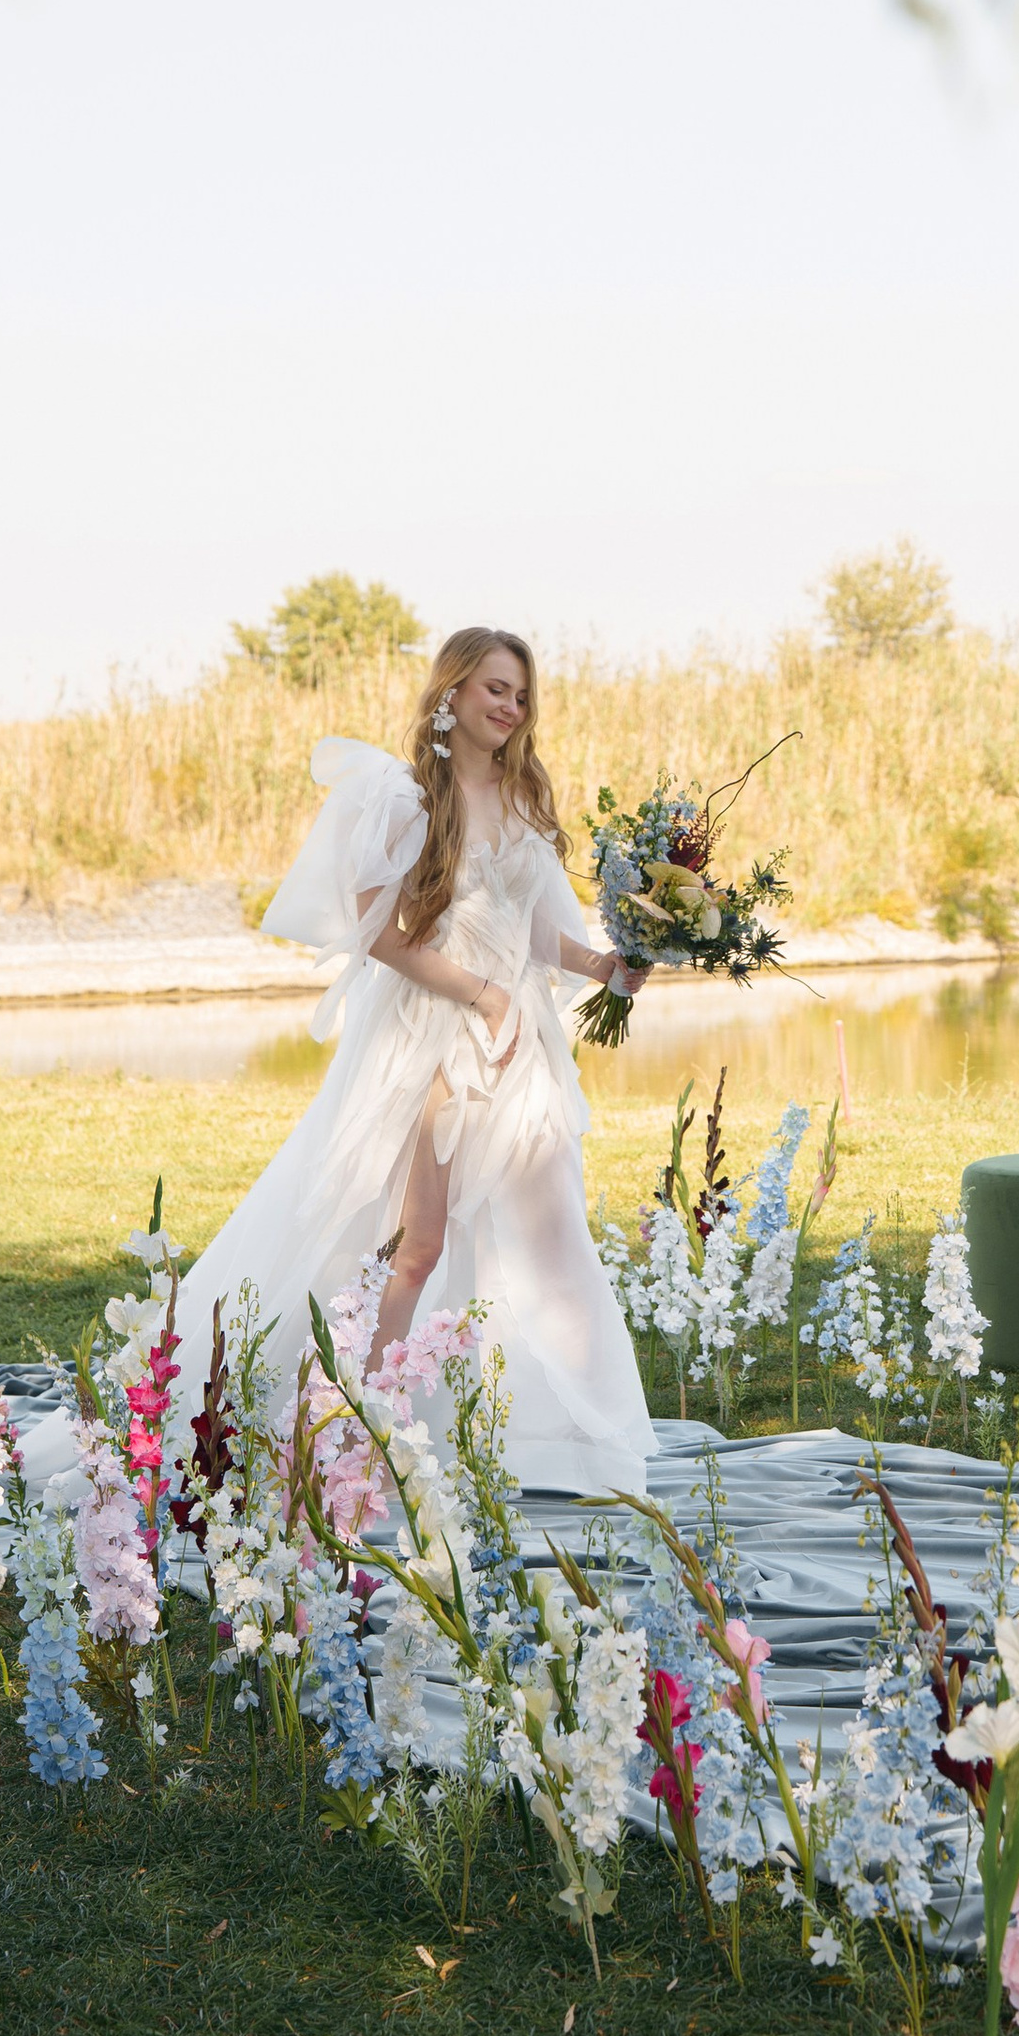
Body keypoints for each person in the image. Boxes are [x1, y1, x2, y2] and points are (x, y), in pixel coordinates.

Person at [174, 625, 656, 1498]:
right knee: (416, 1246)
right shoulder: (400, 799)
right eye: (494, 690)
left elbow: (536, 926)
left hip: (519, 1048)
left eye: (520, 695)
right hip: (436, 1037)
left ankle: (587, 1429)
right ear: (454, 691)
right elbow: (383, 938)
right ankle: (337, 1437)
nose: (510, 707)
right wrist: (481, 994)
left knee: (551, 1236)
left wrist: (608, 967)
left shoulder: (522, 799)